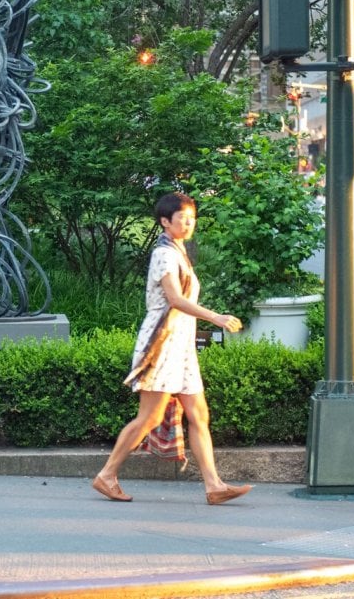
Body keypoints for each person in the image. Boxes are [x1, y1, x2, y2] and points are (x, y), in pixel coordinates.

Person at [92, 192, 252, 506]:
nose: (189, 223)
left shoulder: (177, 251)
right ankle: (107, 474)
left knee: (198, 414)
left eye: (192, 217)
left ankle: (214, 484)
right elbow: (175, 299)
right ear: (165, 222)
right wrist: (215, 317)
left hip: (180, 345)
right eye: (182, 218)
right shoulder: (164, 254)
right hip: (162, 344)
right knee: (148, 418)